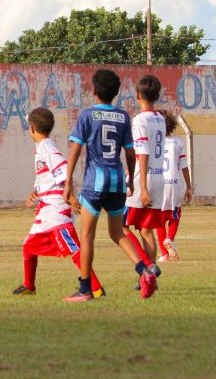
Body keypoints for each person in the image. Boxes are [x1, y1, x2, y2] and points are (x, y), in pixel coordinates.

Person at [64, 69, 157, 301]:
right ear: (116, 92)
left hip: (95, 184)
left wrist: (68, 183)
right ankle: (144, 270)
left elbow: (75, 149)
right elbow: (130, 153)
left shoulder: (86, 115)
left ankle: (85, 289)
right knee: (118, 233)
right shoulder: (124, 116)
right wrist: (131, 180)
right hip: (117, 183)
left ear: (94, 90)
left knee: (86, 236)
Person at [13, 108, 104, 298]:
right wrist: (35, 190)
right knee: (28, 246)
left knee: (74, 248)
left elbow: (62, 170)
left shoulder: (46, 146)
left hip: (56, 208)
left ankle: (95, 288)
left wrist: (70, 199)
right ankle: (29, 286)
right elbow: (47, 175)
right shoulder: (42, 146)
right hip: (45, 209)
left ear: (32, 129)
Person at [121, 75, 167, 280]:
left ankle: (147, 266)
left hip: (143, 180)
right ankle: (149, 278)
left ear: (137, 95)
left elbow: (143, 152)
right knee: (147, 229)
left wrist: (142, 187)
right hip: (159, 177)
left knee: (120, 227)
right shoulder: (160, 118)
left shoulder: (140, 119)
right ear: (157, 95)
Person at [154, 110, 193, 262]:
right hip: (174, 184)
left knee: (159, 220)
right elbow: (184, 166)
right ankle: (169, 239)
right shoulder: (178, 143)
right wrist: (189, 187)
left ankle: (164, 254)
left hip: (157, 184)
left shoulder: (154, 143)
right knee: (175, 216)